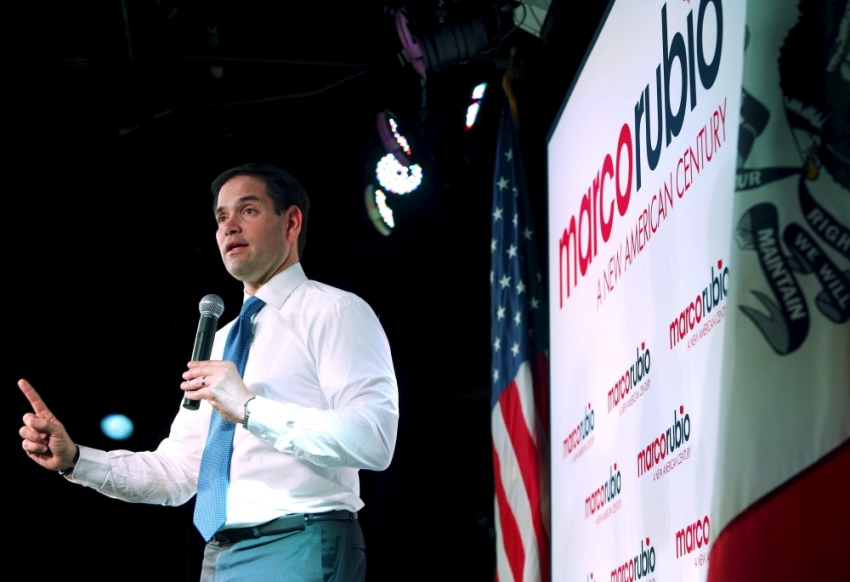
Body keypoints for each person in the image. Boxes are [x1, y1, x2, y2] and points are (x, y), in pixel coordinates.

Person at [18, 162, 400, 582]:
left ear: (291, 222)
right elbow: (178, 472)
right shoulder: (220, 341)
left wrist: (249, 409)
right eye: (221, 217)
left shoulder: (335, 311)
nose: (229, 227)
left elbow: (374, 439)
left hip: (301, 541)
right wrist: (76, 460)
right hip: (221, 554)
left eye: (248, 210)